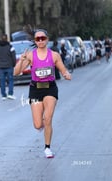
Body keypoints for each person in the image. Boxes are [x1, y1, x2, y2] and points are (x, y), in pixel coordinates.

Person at [14, 29, 71, 158]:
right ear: (35, 41)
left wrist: (66, 74)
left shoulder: (54, 55)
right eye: (38, 39)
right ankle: (42, 127)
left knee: (48, 118)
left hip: (50, 88)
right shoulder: (30, 55)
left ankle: (47, 148)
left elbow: (63, 69)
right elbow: (16, 73)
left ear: (47, 39)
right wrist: (21, 60)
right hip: (35, 89)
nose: (40, 41)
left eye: (42, 38)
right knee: (38, 124)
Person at [0, 34, 16, 100]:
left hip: (1, 67)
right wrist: (14, 64)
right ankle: (10, 94)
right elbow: (13, 57)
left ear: (0, 38)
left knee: (2, 81)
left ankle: (3, 95)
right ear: (7, 38)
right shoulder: (10, 47)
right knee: (10, 80)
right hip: (9, 66)